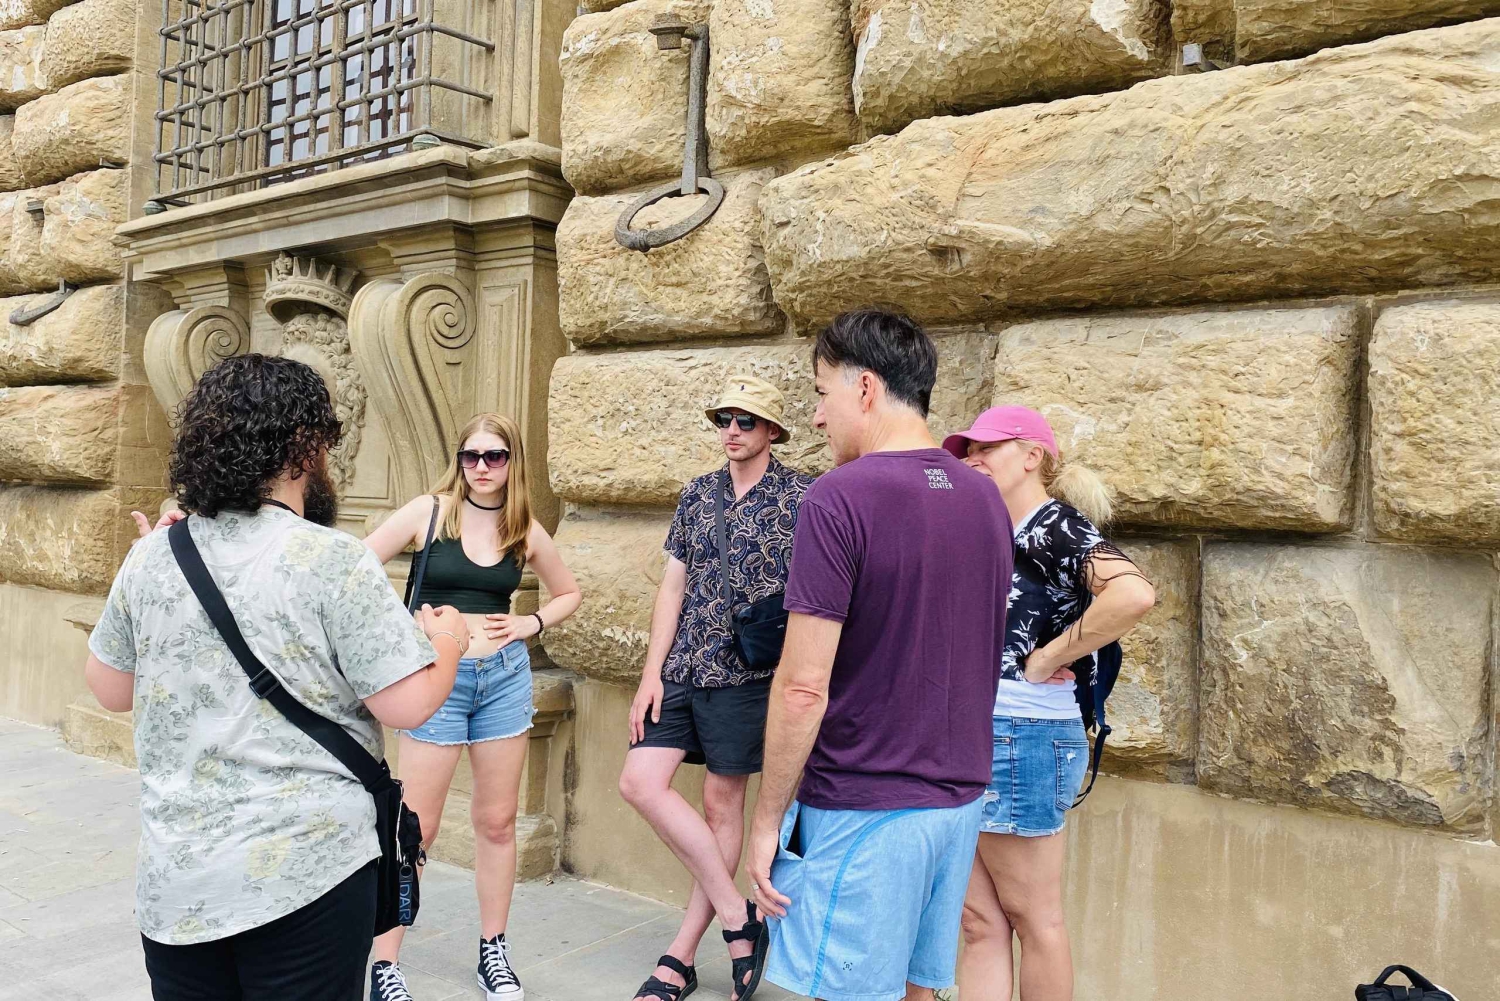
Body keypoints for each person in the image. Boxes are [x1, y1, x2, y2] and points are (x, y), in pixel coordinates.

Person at [85, 354, 470, 1001]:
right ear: (303, 444)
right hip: (307, 876)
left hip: (179, 880)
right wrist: (449, 643)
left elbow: (109, 688)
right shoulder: (332, 558)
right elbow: (408, 704)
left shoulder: (155, 555)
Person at [745, 309, 1014, 1001]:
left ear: (865, 388)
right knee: (916, 989)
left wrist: (768, 819)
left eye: (820, 392)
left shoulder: (839, 497)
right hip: (957, 800)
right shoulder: (986, 497)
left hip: (865, 802)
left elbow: (803, 686)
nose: (814, 417)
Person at [362, 412, 582, 1001]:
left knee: (497, 821)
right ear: (459, 460)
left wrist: (530, 622)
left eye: (494, 456)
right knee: (417, 828)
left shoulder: (523, 527)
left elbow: (570, 593)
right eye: (471, 456)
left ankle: (493, 953)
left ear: (513, 462)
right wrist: (405, 626)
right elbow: (356, 568)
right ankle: (385, 964)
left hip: (504, 679)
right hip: (438, 677)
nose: (481, 467)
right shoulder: (428, 512)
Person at [942, 406, 1155, 1001]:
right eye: (967, 451)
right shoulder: (996, 527)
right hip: (983, 730)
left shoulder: (1050, 523)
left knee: (1036, 920)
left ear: (1032, 455)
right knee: (979, 923)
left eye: (987, 448)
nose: (973, 460)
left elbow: (1134, 594)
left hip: (1022, 732)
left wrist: (1045, 658)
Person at [619, 375, 815, 1001]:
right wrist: (650, 672)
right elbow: (671, 587)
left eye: (746, 420)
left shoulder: (800, 498)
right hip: (681, 668)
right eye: (725, 419)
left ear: (773, 432)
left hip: (745, 675)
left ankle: (680, 955)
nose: (732, 430)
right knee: (639, 783)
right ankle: (739, 916)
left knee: (720, 806)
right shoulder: (697, 495)